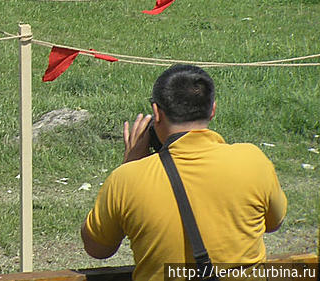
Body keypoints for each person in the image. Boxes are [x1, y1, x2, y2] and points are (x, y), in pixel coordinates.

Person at [81, 64, 286, 281]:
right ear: (213, 109)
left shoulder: (126, 179)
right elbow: (274, 223)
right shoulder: (253, 160)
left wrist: (129, 164)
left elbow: (97, 249)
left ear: (157, 113)